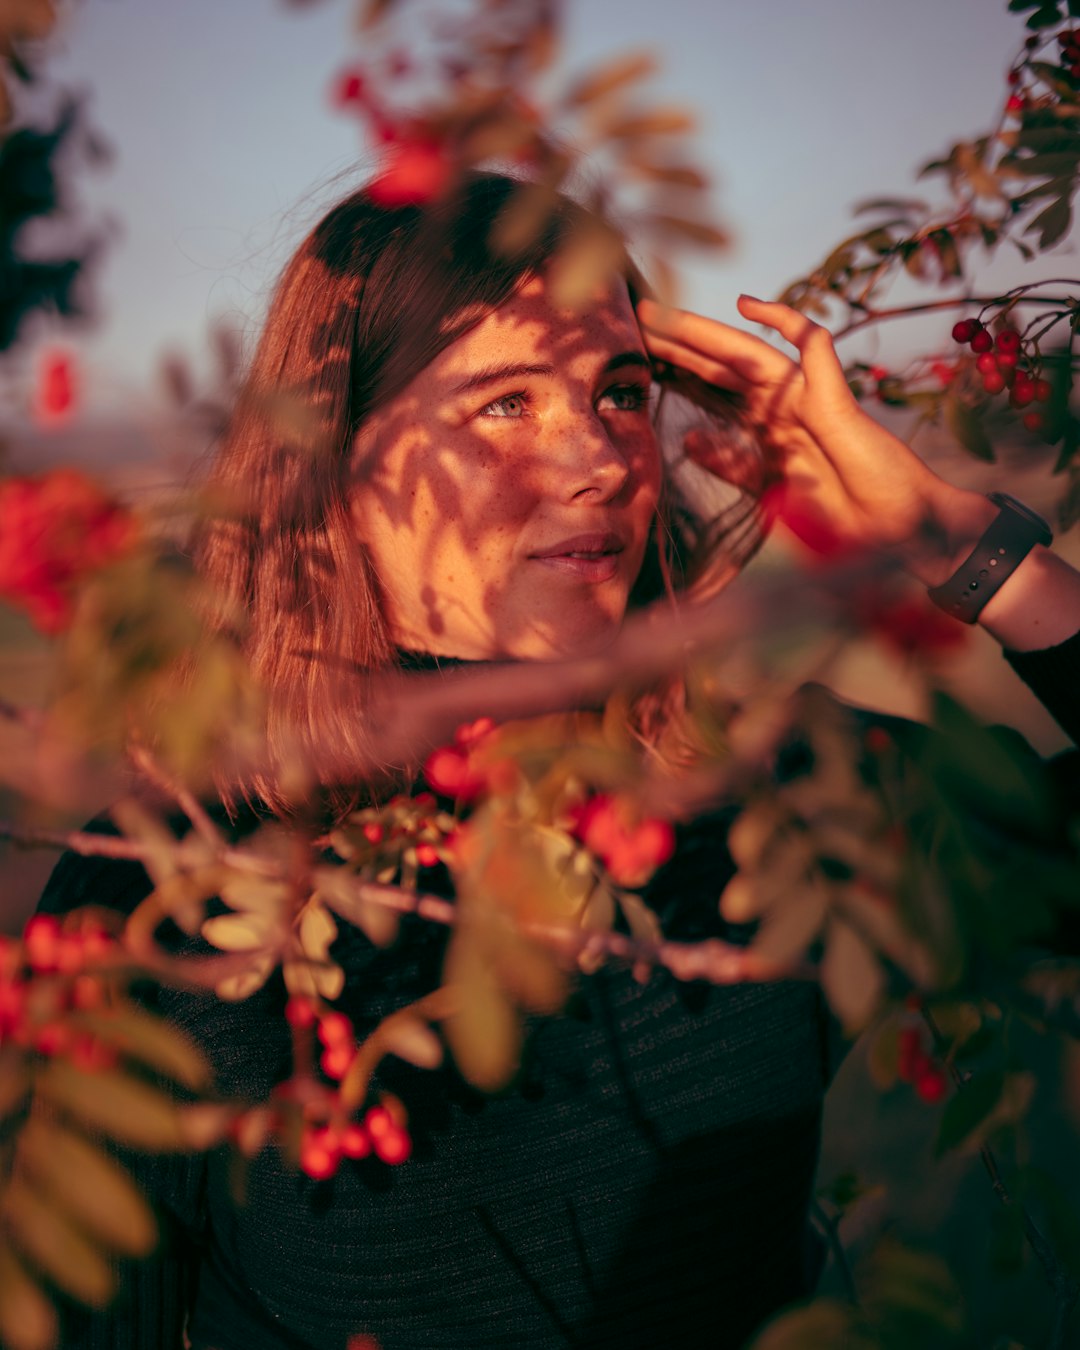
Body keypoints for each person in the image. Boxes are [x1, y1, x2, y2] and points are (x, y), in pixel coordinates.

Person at [37, 171, 1080, 1350]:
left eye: (623, 392)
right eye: (505, 405)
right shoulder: (177, 888)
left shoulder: (785, 800)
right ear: (338, 463)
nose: (597, 457)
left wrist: (955, 541)